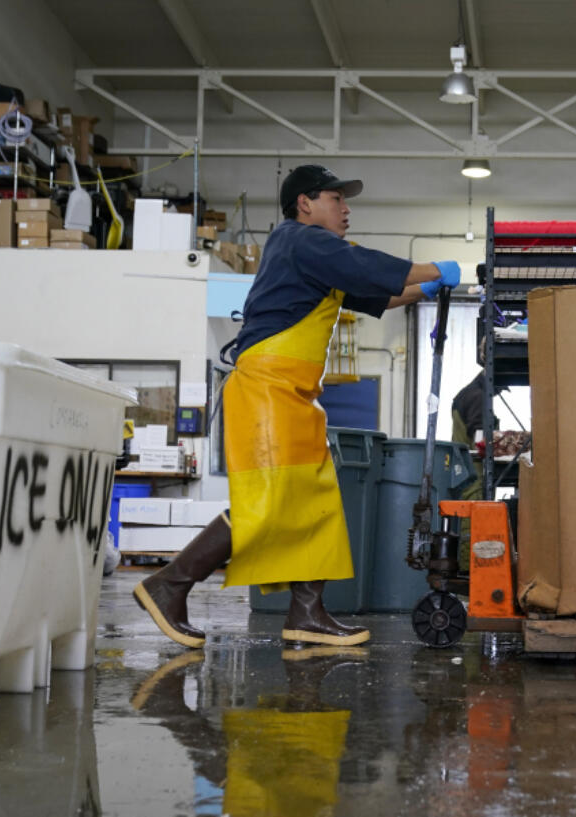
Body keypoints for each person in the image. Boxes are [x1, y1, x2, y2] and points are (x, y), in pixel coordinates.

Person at [134, 164, 460, 649]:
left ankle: (307, 612)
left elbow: (377, 293)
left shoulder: (315, 257)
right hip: (267, 388)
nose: (346, 210)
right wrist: (436, 268)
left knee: (318, 503)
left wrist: (423, 290)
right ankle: (168, 585)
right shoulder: (300, 239)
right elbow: (370, 267)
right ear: (304, 203)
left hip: (294, 393)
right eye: (336, 199)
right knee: (267, 508)